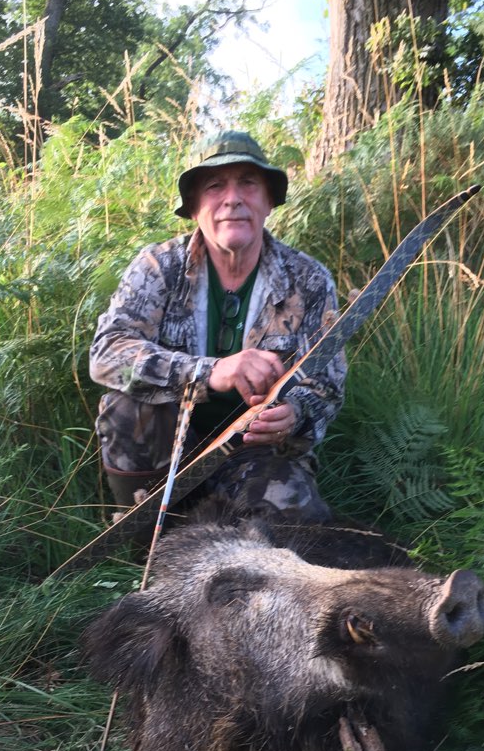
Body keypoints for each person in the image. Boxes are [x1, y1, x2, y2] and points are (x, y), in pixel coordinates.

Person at [89, 129, 347, 522]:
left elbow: (327, 388)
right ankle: (146, 536)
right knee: (126, 407)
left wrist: (294, 415)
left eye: (248, 183)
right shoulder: (159, 268)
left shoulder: (309, 280)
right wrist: (209, 372)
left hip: (258, 453)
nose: (233, 199)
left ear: (268, 202)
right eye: (214, 186)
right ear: (193, 207)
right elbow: (107, 354)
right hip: (172, 448)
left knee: (296, 525)